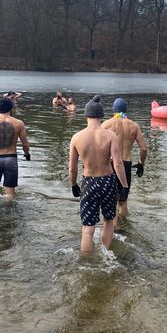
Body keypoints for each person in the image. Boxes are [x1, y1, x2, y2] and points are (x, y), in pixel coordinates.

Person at [69, 95, 129, 252]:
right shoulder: (110, 136)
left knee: (88, 228)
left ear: (86, 116)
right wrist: (124, 185)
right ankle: (105, 254)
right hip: (108, 181)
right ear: (101, 116)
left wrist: (74, 184)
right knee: (109, 220)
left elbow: (72, 167)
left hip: (88, 182)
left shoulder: (76, 137)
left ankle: (87, 263)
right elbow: (117, 163)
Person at [101, 97, 147, 225]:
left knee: (110, 200)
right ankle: (124, 227)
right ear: (126, 110)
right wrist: (141, 164)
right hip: (126, 164)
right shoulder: (134, 126)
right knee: (123, 201)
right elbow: (143, 148)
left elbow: (98, 145)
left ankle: (111, 230)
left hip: (110, 164)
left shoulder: (106, 124)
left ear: (113, 110)